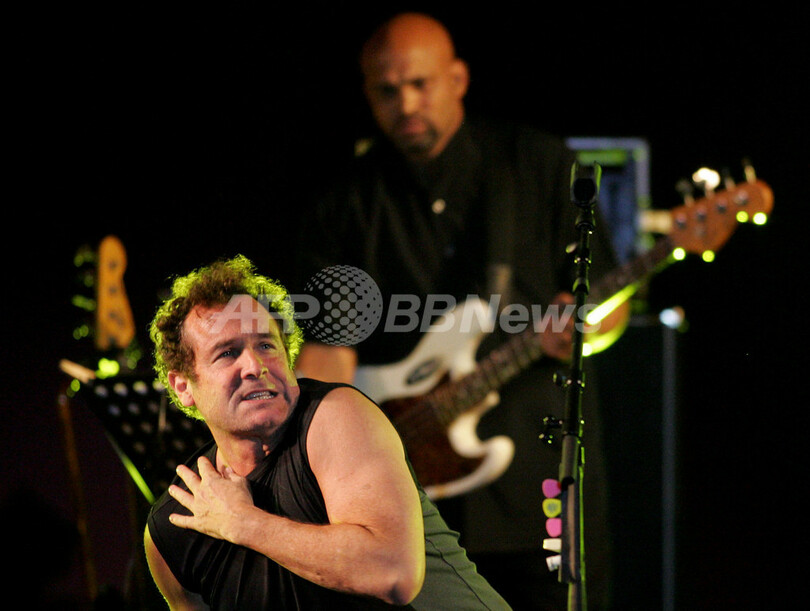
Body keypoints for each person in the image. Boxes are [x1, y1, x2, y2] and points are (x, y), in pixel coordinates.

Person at [294, 12, 630, 610]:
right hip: (402, 502)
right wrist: (306, 455)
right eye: (387, 91)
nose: (406, 104)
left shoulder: (538, 165)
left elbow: (610, 309)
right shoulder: (347, 200)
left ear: (458, 79)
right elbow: (328, 351)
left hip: (535, 486)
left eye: (420, 84)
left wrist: (585, 329)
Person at [143, 255, 510, 609]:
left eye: (267, 345)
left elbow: (393, 572)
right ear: (183, 387)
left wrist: (243, 523)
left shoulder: (335, 415)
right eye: (227, 353)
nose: (255, 365)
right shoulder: (173, 529)